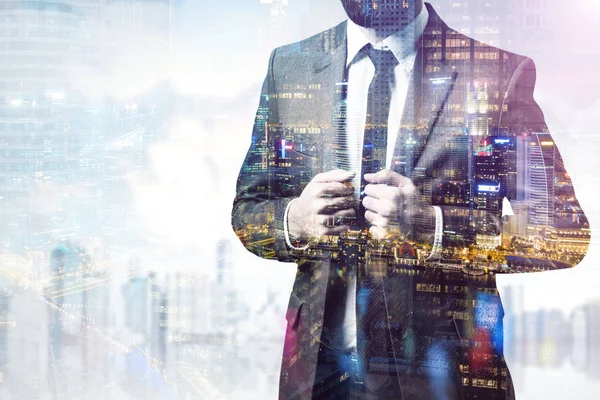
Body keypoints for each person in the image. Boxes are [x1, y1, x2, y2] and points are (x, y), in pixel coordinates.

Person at [232, 1, 590, 399]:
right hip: (318, 378)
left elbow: (561, 233)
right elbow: (250, 207)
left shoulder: (498, 76)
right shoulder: (289, 67)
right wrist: (294, 221)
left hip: (446, 380)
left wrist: (433, 226)